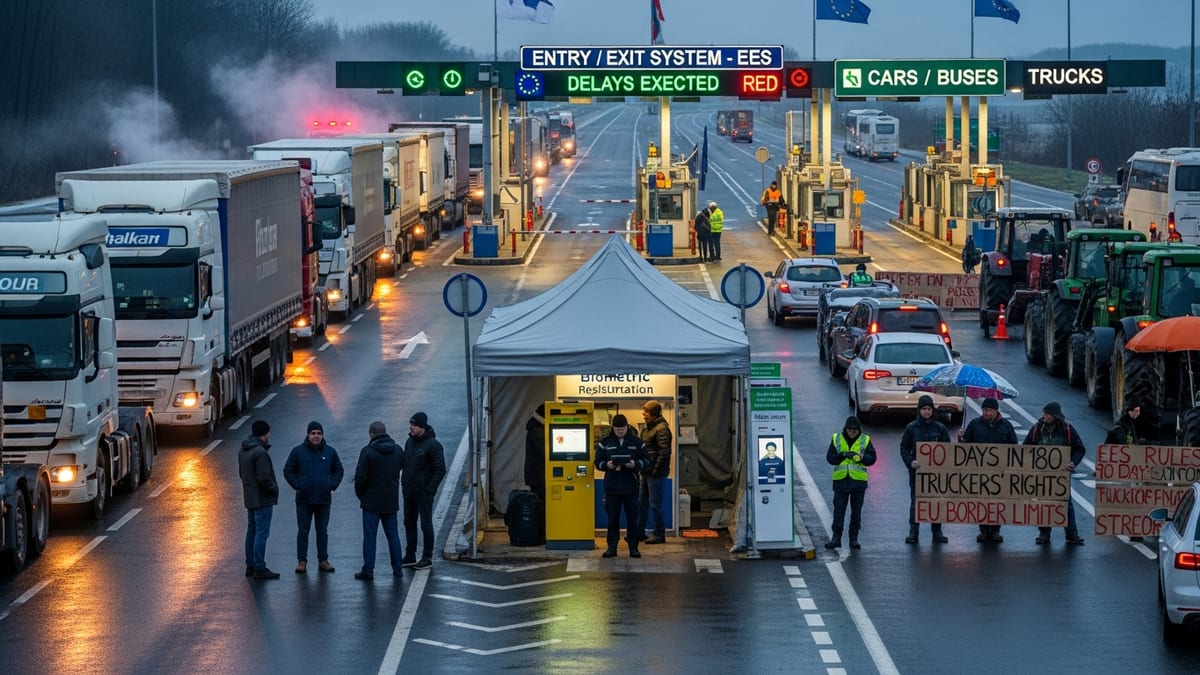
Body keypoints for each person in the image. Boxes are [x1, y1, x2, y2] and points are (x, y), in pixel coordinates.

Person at [283, 420, 344, 573]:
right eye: (313, 433)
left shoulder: (330, 452)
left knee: (322, 531)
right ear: (308, 434)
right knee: (303, 531)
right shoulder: (298, 451)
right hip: (304, 500)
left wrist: (331, 485)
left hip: (323, 500)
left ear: (322, 435)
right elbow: (288, 470)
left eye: (318, 433)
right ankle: (302, 561)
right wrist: (298, 485)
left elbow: (339, 470)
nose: (316, 436)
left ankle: (323, 560)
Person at [1025, 402, 1086, 545]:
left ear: (1055, 416)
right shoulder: (1037, 429)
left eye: (1047, 414)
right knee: (1044, 502)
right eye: (1044, 413)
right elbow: (1026, 447)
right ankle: (1044, 533)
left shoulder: (1068, 430)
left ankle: (1071, 533)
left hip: (1061, 475)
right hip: (1041, 473)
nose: (1044, 416)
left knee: (1066, 502)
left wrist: (1073, 463)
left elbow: (1080, 448)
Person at [352, 421, 404, 581]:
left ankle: (368, 570)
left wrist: (362, 496)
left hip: (371, 502)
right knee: (393, 535)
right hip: (390, 501)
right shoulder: (397, 450)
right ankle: (398, 568)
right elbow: (401, 467)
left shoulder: (367, 452)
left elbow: (360, 478)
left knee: (370, 537)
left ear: (371, 434)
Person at [960, 398, 1017, 543]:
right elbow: (964, 448)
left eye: (990, 410)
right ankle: (984, 530)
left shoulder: (1006, 426)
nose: (987, 413)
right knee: (982, 501)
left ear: (996, 411)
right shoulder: (974, 424)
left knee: (997, 501)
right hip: (980, 471)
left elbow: (1015, 448)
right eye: (985, 410)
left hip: (1000, 471)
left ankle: (996, 530)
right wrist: (961, 438)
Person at [595, 414, 651, 558]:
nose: (620, 431)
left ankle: (633, 547)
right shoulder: (605, 442)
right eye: (617, 429)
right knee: (612, 519)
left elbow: (647, 460)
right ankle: (611, 548)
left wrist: (635, 464)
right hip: (612, 487)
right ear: (612, 428)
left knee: (632, 519)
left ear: (627, 427)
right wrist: (606, 465)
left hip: (630, 487)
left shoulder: (637, 442)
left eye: (622, 428)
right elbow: (597, 462)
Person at [900, 395, 950, 544]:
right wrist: (910, 462)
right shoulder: (912, 428)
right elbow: (904, 447)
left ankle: (937, 531)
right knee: (916, 501)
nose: (926, 412)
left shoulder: (940, 428)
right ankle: (913, 532)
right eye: (924, 409)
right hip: (917, 472)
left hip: (936, 474)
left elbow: (948, 449)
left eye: (929, 409)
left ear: (932, 410)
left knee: (936, 501)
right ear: (919, 410)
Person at [402, 411, 446, 570]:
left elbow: (440, 469)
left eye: (414, 425)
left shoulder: (433, 445)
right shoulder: (410, 442)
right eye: (411, 424)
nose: (411, 427)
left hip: (423, 493)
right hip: (409, 492)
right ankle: (410, 554)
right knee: (409, 522)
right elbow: (406, 464)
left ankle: (427, 556)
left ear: (422, 427)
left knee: (426, 524)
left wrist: (429, 489)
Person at [824, 416, 877, 550]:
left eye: (855, 429)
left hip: (858, 482)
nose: (852, 431)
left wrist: (862, 458)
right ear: (845, 429)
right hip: (841, 481)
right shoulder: (837, 438)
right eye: (850, 429)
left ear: (859, 430)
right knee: (839, 511)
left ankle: (854, 539)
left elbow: (872, 459)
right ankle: (836, 538)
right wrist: (842, 455)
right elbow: (830, 458)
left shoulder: (865, 440)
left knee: (856, 512)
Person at [240, 419, 280, 580]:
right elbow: (264, 477)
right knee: (262, 534)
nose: (270, 435)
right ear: (265, 434)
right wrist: (274, 489)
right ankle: (260, 567)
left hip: (250, 497)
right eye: (269, 432)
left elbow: (242, 474)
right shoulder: (260, 453)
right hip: (262, 499)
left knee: (252, 531)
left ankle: (250, 565)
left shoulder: (243, 450)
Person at [639, 400, 673, 545]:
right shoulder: (647, 429)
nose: (643, 414)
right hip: (645, 472)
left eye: (646, 412)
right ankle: (639, 532)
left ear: (653, 413)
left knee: (655, 504)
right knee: (642, 503)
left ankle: (659, 534)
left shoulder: (662, 429)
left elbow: (664, 453)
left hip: (655, 474)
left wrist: (655, 470)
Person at [524, 404, 546, 505]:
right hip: (539, 476)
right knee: (541, 503)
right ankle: (542, 521)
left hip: (537, 475)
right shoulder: (538, 430)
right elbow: (544, 451)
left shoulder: (535, 427)